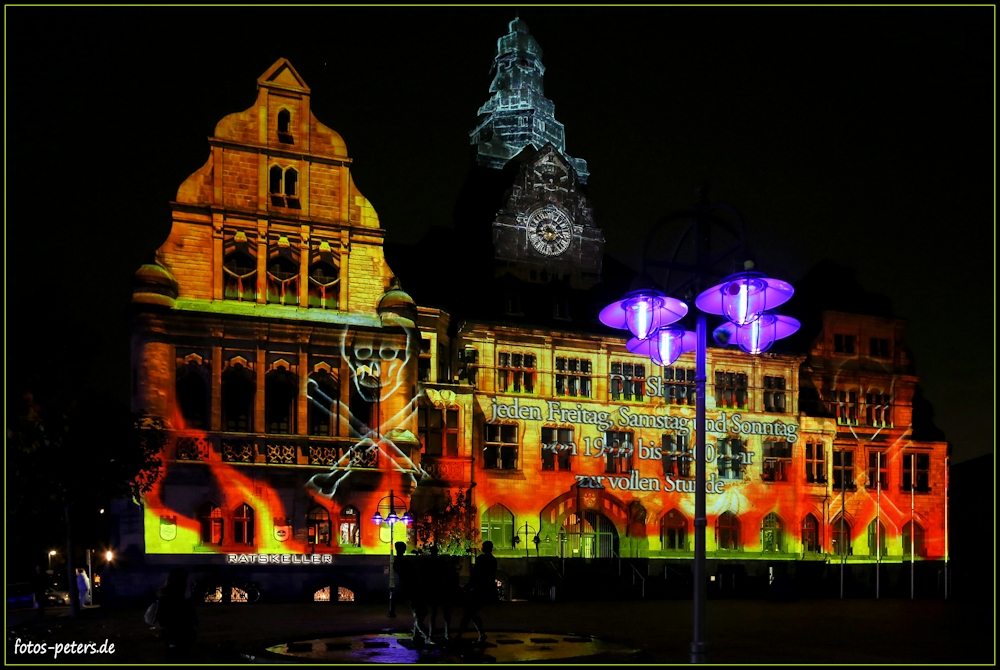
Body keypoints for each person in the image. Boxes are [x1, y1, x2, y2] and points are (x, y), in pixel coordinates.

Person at [392, 541, 434, 646]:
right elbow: (410, 575)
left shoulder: (400, 562)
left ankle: (417, 635)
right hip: (410, 589)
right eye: (403, 548)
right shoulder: (401, 562)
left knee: (420, 613)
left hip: (411, 589)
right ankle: (425, 636)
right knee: (420, 613)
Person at [457, 541, 498, 643]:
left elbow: (476, 574)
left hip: (479, 589)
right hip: (485, 588)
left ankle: (462, 635)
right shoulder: (492, 560)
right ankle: (480, 633)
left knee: (469, 611)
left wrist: (469, 586)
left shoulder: (482, 559)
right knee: (470, 612)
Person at [156, 567, 198, 662]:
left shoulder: (170, 597)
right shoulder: (175, 598)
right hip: (178, 638)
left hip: (176, 639)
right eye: (186, 580)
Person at [427, 545, 460, 641]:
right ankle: (445, 634)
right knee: (445, 613)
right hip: (441, 589)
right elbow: (446, 574)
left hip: (435, 589)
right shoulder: (441, 562)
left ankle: (431, 634)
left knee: (434, 613)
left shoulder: (430, 562)